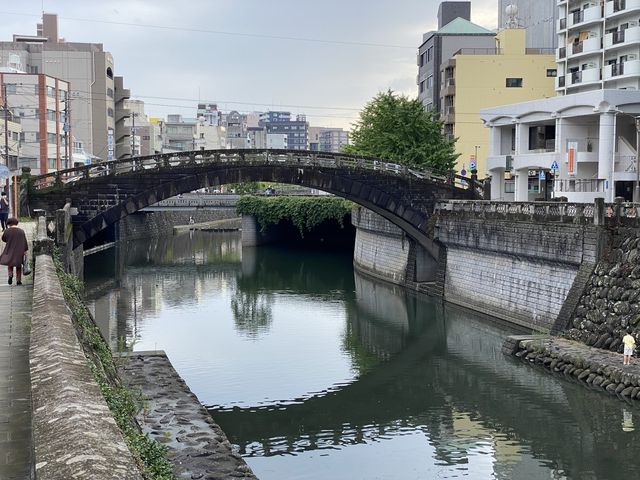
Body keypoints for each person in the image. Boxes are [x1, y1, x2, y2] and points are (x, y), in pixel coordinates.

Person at [0, 217, 28, 286]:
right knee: (18, 266)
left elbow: (3, 239)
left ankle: (10, 274)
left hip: (10, 249)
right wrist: (25, 250)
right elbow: (24, 241)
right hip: (19, 250)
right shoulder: (21, 231)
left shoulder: (7, 231)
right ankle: (18, 280)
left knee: (10, 264)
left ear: (9, 224)